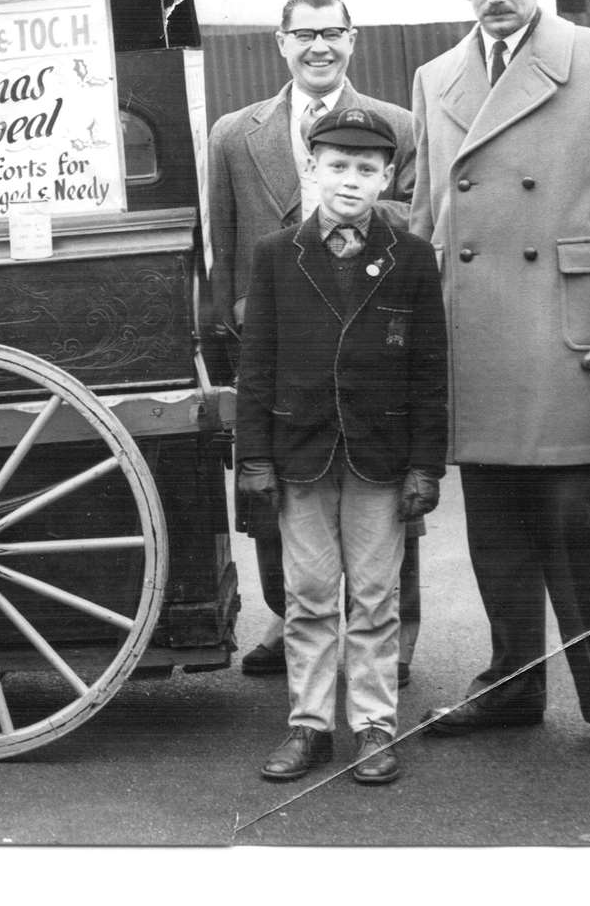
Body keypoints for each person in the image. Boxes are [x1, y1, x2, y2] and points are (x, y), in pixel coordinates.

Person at [409, 0, 590, 758]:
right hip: (472, 336)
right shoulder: (435, 76)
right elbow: (426, 223)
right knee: (496, 534)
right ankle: (511, 683)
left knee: (574, 530)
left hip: (565, 337)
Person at [206, 0, 425, 685]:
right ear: (281, 42)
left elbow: (421, 215)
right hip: (270, 337)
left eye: (332, 33)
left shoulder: (398, 125)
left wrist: (335, 198)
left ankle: (391, 640)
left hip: (368, 337)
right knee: (276, 490)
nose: (318, 47)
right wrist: (223, 329)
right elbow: (223, 239)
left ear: (353, 39)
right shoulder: (235, 132)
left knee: (382, 493)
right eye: (304, 35)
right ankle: (289, 619)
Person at [238, 108, 446, 785]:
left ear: (387, 176)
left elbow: (429, 368)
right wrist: (257, 459)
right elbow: (257, 366)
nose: (350, 181)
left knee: (377, 597)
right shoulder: (276, 256)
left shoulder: (411, 258)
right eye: (337, 167)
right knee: (310, 594)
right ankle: (309, 725)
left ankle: (375, 725)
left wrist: (426, 465)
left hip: (380, 458)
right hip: (301, 453)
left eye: (365, 170)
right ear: (313, 169)